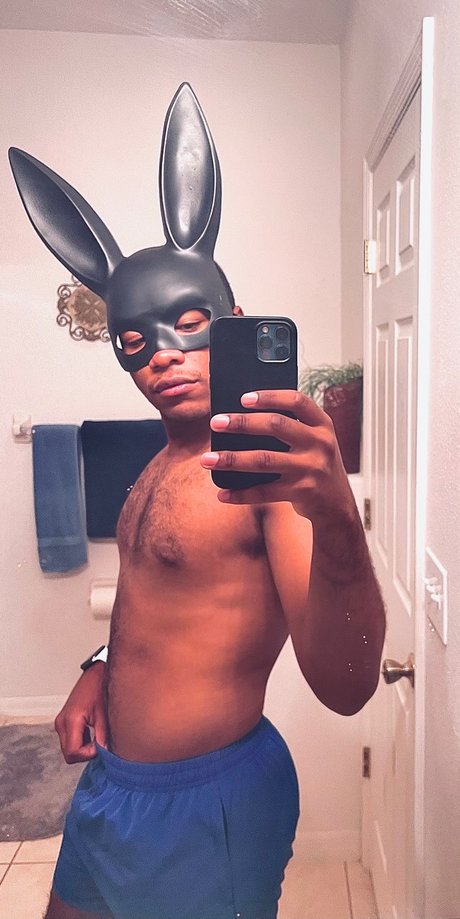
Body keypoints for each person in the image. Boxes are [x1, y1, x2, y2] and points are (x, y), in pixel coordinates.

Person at [9, 84, 385, 919]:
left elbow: (349, 683)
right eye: (134, 341)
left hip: (206, 802)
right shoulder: (161, 459)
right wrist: (98, 669)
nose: (162, 356)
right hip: (113, 786)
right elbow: (157, 602)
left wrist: (336, 515)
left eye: (188, 322)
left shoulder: (264, 471)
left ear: (234, 320)